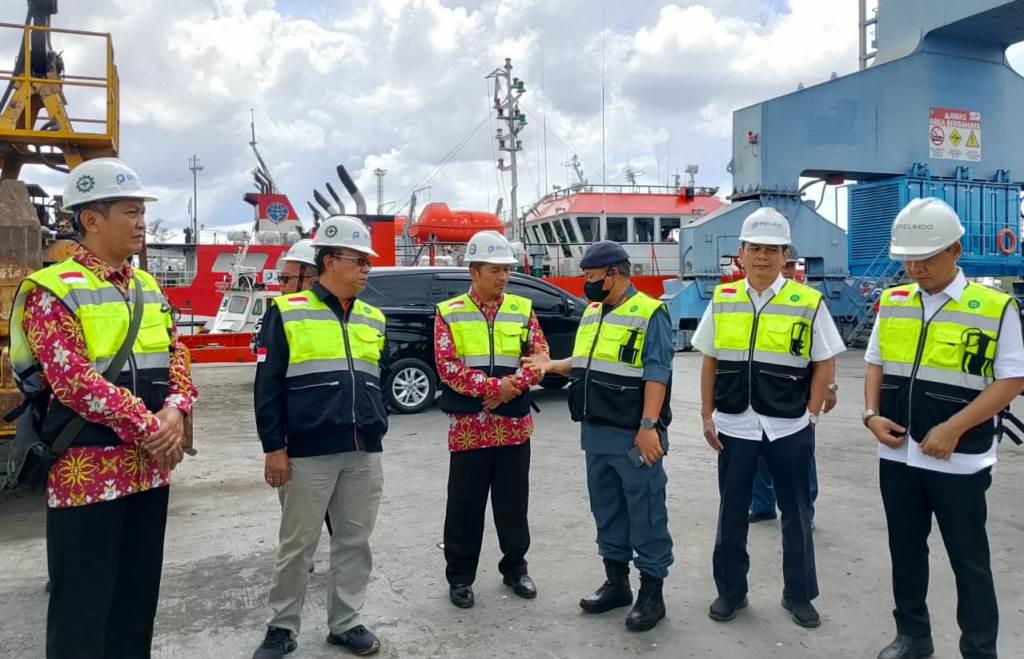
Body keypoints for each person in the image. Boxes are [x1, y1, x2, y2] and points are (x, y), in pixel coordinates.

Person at [9, 157, 198, 658]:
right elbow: (72, 380)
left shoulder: (148, 288)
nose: (141, 223)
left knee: (137, 601)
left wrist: (176, 410)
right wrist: (149, 425)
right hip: (86, 473)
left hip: (150, 470)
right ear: (90, 219)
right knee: (82, 607)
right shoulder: (52, 291)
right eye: (130, 212)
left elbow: (178, 353)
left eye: (141, 212)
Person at [863, 198, 1024, 659]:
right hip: (897, 454)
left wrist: (953, 428)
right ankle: (913, 636)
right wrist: (870, 415)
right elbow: (874, 363)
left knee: (968, 560)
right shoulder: (894, 301)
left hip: (960, 458)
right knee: (906, 551)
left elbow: (1012, 378)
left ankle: (979, 649)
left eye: (927, 257)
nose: (916, 268)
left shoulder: (994, 307)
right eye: (908, 259)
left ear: (955, 250)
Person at [693, 207, 845, 629]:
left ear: (785, 256)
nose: (762, 256)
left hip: (789, 425)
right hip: (735, 423)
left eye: (771, 250)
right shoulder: (723, 300)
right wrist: (707, 415)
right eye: (755, 248)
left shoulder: (807, 301)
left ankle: (798, 595)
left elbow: (824, 362)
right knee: (732, 511)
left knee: (796, 513)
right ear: (740, 253)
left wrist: (811, 417)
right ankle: (730, 591)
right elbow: (709, 360)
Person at [252, 216, 388, 658]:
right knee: (299, 544)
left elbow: (374, 380)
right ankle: (281, 626)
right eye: (359, 261)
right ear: (330, 261)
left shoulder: (373, 317)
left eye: (369, 262)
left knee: (354, 541)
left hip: (362, 450)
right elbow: (267, 387)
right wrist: (275, 448)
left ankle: (346, 622)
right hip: (308, 453)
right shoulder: (287, 312)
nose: (367, 269)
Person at [523, 240, 674, 632]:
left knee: (646, 513)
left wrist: (648, 427)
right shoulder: (592, 312)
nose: (586, 284)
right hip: (596, 432)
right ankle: (617, 583)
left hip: (633, 436)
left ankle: (652, 594)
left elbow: (657, 372)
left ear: (615, 274)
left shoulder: (650, 312)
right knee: (607, 510)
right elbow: (588, 361)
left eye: (591, 278)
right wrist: (552, 364)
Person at [435, 230, 548, 609]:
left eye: (506, 270)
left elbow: (540, 356)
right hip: (470, 429)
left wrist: (511, 386)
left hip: (514, 427)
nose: (502, 277)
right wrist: (491, 387)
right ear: (474, 270)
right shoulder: (448, 312)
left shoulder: (522, 308)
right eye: (495, 269)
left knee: (513, 503)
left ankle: (516, 568)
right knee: (465, 506)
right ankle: (460, 577)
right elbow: (447, 366)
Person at [749, 248, 835, 524]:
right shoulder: (756, 300)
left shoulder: (808, 302)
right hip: (762, 392)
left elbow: (825, 352)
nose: (787, 271)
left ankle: (805, 509)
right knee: (759, 455)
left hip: (799, 393)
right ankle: (762, 506)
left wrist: (828, 388)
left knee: (801, 458)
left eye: (791, 266)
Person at [251, 239, 317, 353]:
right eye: (280, 278)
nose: (281, 285)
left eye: (286, 278)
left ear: (311, 282)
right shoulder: (276, 315)